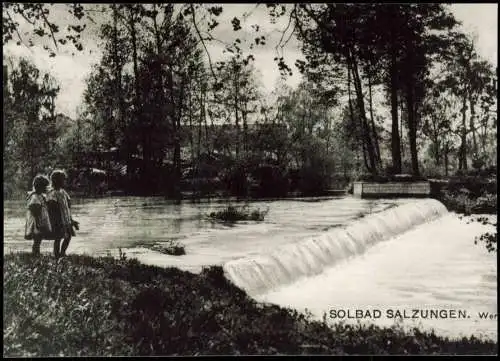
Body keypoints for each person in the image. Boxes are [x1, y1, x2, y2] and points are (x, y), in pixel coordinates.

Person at [47, 169, 79, 258]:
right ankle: (56, 254)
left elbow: (68, 206)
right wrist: (56, 220)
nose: (64, 181)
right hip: (58, 220)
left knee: (68, 236)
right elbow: (51, 207)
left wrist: (72, 220)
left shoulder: (63, 192)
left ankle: (63, 252)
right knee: (58, 238)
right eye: (63, 180)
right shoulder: (52, 193)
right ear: (56, 181)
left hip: (66, 219)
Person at [25, 175, 52, 256]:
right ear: (40, 187)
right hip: (36, 222)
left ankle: (37, 252)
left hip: (40, 220)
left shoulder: (40, 196)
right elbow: (34, 210)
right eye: (45, 187)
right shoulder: (35, 197)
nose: (46, 188)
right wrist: (38, 223)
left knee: (39, 238)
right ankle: (35, 253)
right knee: (37, 238)